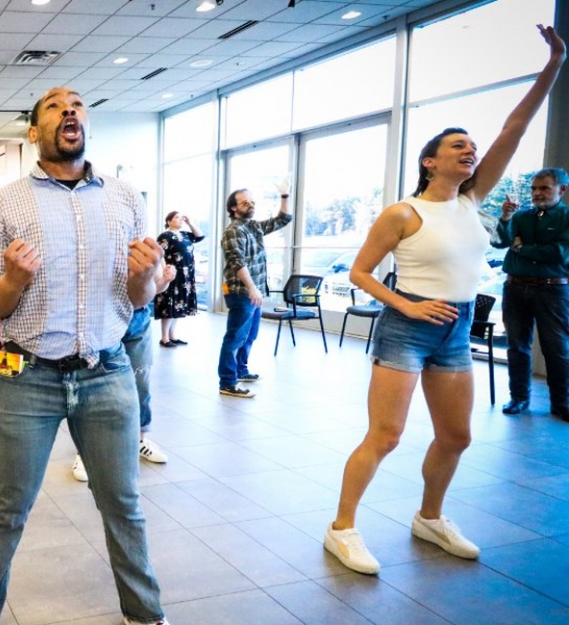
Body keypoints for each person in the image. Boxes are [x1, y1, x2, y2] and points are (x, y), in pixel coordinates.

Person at [325, 25, 564, 576]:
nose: (470, 152)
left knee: (457, 435)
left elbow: (516, 126)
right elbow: (361, 272)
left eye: (471, 149)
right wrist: (405, 306)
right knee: (385, 436)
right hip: (408, 326)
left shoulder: (473, 199)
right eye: (457, 147)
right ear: (429, 161)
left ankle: (430, 517)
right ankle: (342, 528)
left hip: (456, 327)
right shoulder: (403, 213)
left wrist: (554, 63)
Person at [0, 86, 169, 625]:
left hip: (107, 371)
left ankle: (146, 615)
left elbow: (137, 297)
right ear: (34, 133)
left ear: (87, 126)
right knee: (7, 509)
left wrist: (145, 279)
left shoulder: (125, 199)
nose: (68, 110)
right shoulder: (3, 204)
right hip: (26, 376)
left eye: (76, 105)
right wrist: (13, 279)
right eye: (54, 106)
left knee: (123, 505)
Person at [71, 272, 174, 484]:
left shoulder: (142, 242)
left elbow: (155, 289)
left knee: (140, 383)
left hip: (137, 318)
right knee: (94, 386)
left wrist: (164, 280)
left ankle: (140, 440)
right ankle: (85, 453)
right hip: (99, 317)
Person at [494, 168, 569, 421]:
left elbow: (559, 253)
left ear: (562, 190)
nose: (537, 193)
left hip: (553, 289)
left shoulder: (567, 217)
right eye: (534, 189)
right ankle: (519, 398)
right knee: (517, 346)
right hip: (515, 287)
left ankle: (561, 404)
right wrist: (505, 218)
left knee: (556, 348)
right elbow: (498, 242)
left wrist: (521, 246)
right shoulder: (521, 216)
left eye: (544, 188)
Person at [217, 184, 293, 398]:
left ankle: (241, 370)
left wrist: (284, 195)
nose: (250, 205)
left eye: (252, 202)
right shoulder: (234, 231)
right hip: (242, 293)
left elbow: (283, 219)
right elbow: (236, 262)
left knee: (250, 335)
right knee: (235, 337)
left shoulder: (253, 226)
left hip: (254, 293)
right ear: (233, 208)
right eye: (244, 202)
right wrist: (252, 288)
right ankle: (228, 382)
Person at [155, 211, 204, 347]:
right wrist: (165, 272)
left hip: (186, 275)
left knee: (179, 305)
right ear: (169, 221)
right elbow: (159, 254)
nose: (180, 220)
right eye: (176, 217)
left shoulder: (185, 234)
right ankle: (164, 337)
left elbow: (200, 236)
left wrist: (189, 222)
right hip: (173, 275)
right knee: (169, 305)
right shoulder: (165, 236)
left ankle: (173, 336)